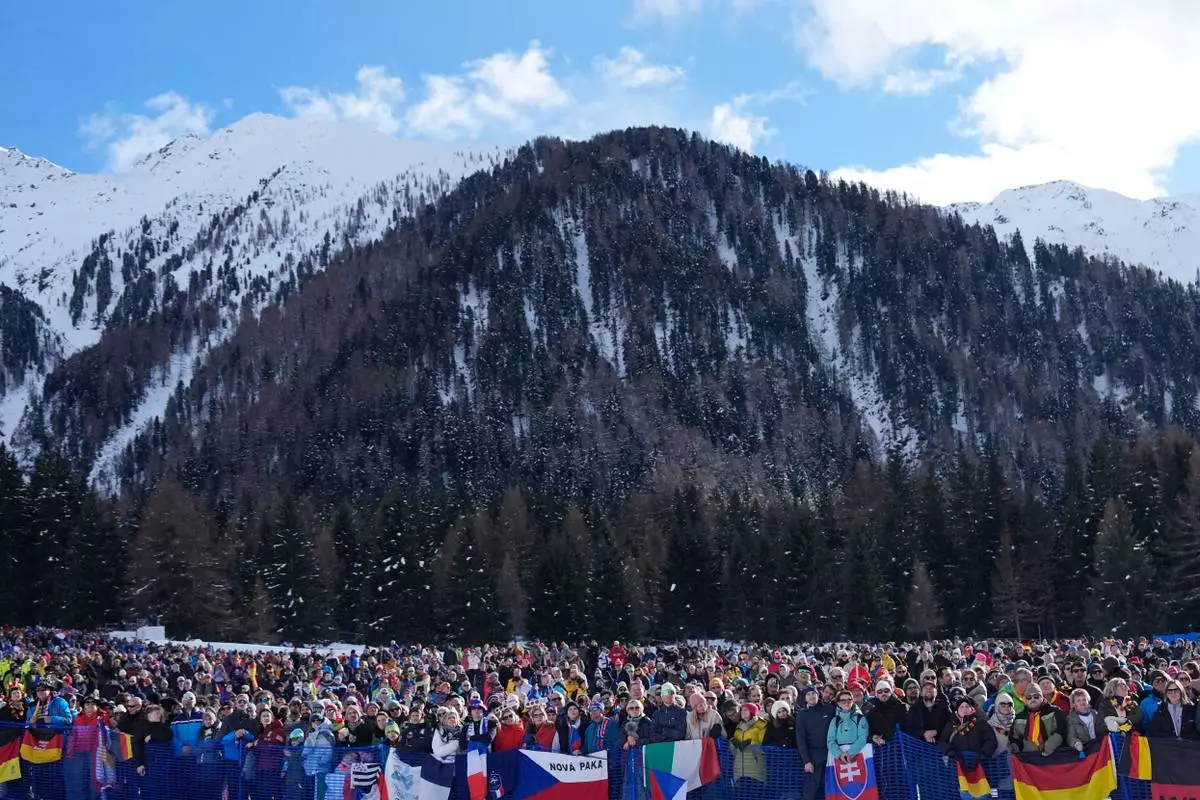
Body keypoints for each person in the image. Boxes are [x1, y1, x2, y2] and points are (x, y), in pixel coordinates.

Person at [796, 686, 834, 800]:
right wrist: (807, 761)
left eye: (814, 693)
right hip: (813, 757)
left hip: (831, 754)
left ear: (818, 695)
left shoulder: (830, 709)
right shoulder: (802, 714)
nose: (812, 696)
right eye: (808, 694)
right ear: (805, 698)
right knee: (812, 790)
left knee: (829, 788)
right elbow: (800, 739)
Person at [1010, 686, 1065, 756]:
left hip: (1053, 756)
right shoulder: (1019, 717)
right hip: (1029, 758)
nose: (1032, 699)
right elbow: (1015, 738)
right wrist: (1014, 748)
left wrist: (1049, 747)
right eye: (1029, 698)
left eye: (1036, 696)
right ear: (1025, 701)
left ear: (1042, 697)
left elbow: (1061, 730)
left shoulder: (1055, 711)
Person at [939, 697, 996, 763]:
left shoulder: (981, 723)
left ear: (971, 709)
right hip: (956, 763)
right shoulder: (950, 725)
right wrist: (951, 752)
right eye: (962, 707)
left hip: (978, 764)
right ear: (957, 710)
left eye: (967, 707)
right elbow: (942, 742)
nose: (964, 709)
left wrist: (983, 755)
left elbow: (991, 740)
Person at [826, 690, 868, 766]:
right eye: (843, 700)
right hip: (840, 759)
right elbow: (830, 740)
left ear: (853, 701)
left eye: (849, 699)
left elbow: (862, 738)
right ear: (838, 703)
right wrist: (839, 754)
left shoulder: (860, 718)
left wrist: (850, 753)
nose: (846, 702)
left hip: (859, 755)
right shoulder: (835, 721)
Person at [866, 681, 906, 746]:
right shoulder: (872, 713)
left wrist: (886, 738)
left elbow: (906, 728)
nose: (883, 693)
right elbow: (867, 734)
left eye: (886, 691)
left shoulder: (901, 707)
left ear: (891, 692)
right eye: (880, 692)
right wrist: (873, 738)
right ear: (876, 695)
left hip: (900, 747)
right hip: (881, 750)